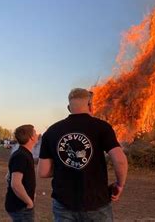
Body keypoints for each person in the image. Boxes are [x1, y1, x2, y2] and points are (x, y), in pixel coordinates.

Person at [38, 88, 128, 222]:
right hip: (96, 203)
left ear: (69, 108)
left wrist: (66, 166)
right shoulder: (102, 127)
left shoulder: (51, 131)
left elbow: (43, 172)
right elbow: (120, 161)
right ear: (90, 105)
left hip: (64, 204)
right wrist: (119, 185)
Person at [5, 124, 39, 222]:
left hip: (20, 205)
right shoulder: (21, 156)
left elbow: (7, 177)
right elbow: (15, 184)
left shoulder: (23, 154)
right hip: (21, 207)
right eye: (35, 133)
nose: (37, 135)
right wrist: (29, 202)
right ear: (31, 137)